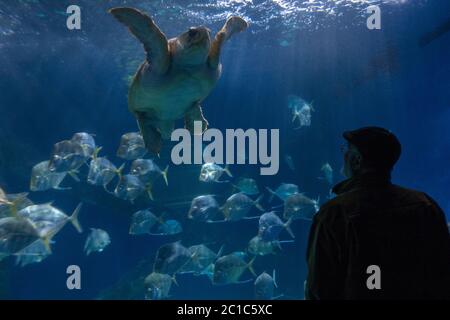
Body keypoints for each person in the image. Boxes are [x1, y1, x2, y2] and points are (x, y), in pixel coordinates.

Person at [305, 126, 450, 299]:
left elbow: (319, 289)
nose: (343, 155)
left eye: (347, 150)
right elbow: (443, 274)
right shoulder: (426, 206)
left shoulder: (333, 214)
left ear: (357, 161)